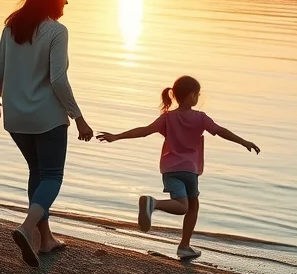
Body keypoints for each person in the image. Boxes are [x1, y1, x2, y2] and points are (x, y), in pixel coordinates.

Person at [0, 0, 93, 268]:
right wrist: (78, 117)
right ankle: (27, 228)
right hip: (47, 117)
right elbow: (58, 78)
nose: (66, 0)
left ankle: (46, 240)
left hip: (17, 118)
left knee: (37, 172)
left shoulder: (12, 28)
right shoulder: (57, 32)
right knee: (53, 176)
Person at [96, 76, 259, 260]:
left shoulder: (167, 117)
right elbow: (220, 131)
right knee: (186, 207)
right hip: (190, 170)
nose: (198, 97)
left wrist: (117, 136)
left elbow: (145, 130)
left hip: (170, 169)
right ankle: (156, 207)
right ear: (191, 96)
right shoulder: (200, 118)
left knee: (191, 205)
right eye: (197, 94)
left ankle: (184, 246)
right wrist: (243, 141)